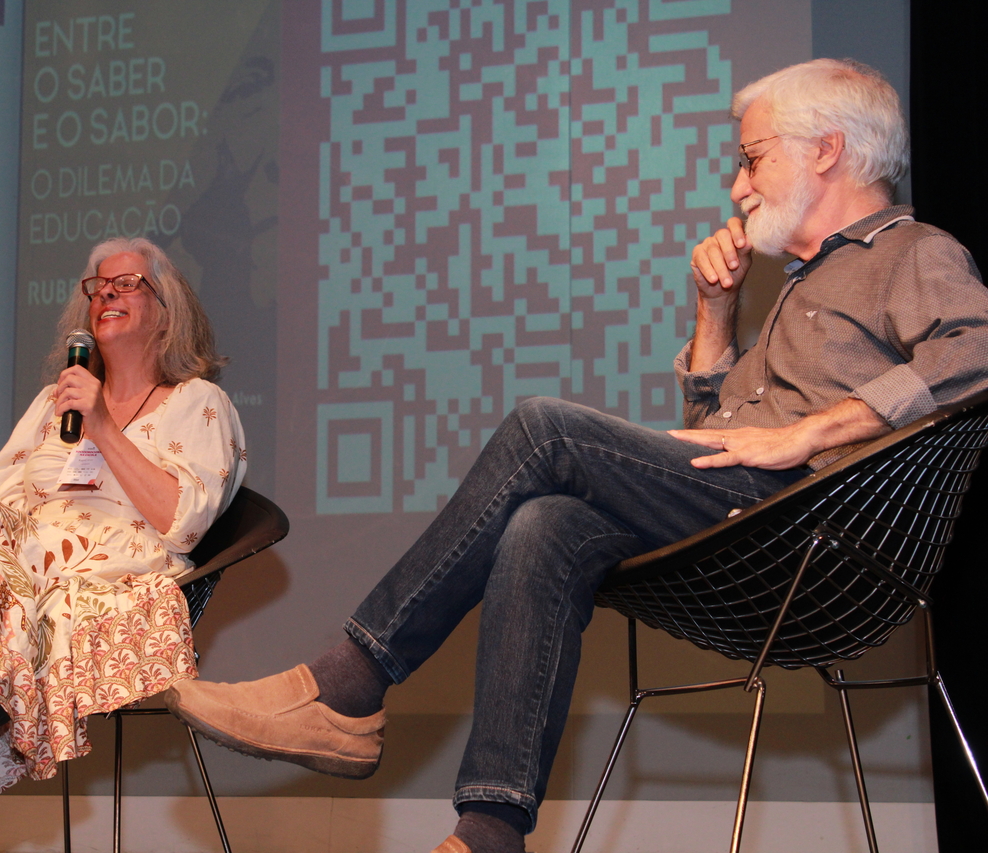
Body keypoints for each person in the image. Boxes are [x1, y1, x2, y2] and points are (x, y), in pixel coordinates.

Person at [165, 59, 988, 853]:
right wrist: (714, 312)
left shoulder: (912, 252)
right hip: (748, 520)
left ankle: (350, 683)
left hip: (821, 538)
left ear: (828, 148)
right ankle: (490, 833)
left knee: (545, 429)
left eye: (753, 158)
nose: (739, 186)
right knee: (545, 524)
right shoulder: (803, 283)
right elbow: (713, 433)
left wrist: (811, 432)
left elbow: (978, 349)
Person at [0, 237, 246, 853]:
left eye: (127, 284)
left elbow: (185, 523)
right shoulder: (54, 403)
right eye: (97, 286)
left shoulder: (200, 403)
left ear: (167, 311)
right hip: (27, 576)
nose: (106, 293)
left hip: (118, 583)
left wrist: (101, 425)